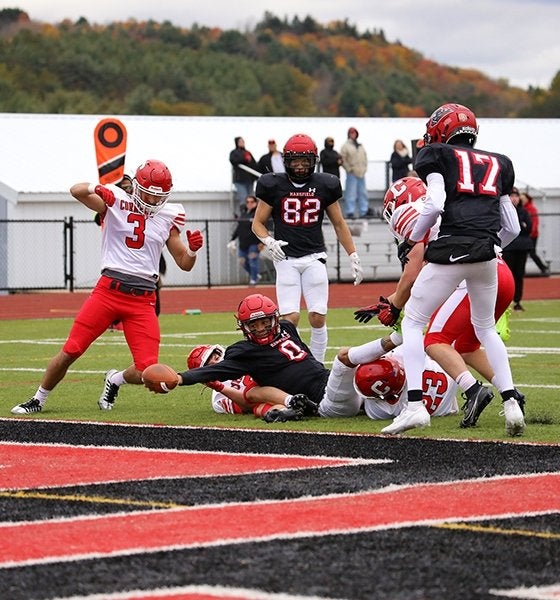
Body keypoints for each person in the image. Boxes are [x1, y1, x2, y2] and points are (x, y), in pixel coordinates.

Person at [11, 159, 204, 415]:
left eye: (160, 197)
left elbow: (184, 263)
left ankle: (115, 380)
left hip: (143, 299)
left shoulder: (170, 215)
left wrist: (192, 250)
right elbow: (76, 190)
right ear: (138, 186)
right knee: (72, 350)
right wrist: (96, 187)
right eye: (150, 194)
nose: (154, 201)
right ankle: (38, 399)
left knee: (150, 372)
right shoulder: (117, 199)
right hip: (108, 292)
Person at [388, 102, 525, 436]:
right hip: (488, 253)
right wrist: (491, 245)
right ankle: (511, 405)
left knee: (416, 323)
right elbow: (512, 227)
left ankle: (415, 406)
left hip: (452, 247)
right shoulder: (500, 162)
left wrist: (417, 236)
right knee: (485, 330)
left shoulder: (435, 155)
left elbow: (434, 203)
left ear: (441, 130)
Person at [357, 175, 525, 429]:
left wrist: (395, 306)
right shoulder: (457, 202)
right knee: (468, 345)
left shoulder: (414, 212)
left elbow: (414, 273)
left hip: (465, 274)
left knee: (433, 339)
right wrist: (391, 301)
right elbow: (511, 229)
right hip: (497, 269)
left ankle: (466, 391)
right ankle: (511, 395)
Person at [142, 293, 407, 421]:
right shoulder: (244, 352)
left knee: (388, 366)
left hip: (337, 389)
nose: (259, 329)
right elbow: (215, 371)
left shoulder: (288, 328)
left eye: (264, 322)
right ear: (243, 327)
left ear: (274, 319)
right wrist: (179, 378)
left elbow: (306, 362)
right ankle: (398, 335)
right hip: (325, 401)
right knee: (344, 358)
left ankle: (422, 397)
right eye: (253, 325)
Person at [251, 133, 363, 364]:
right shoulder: (273, 184)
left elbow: (339, 223)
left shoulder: (325, 184)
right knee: (289, 318)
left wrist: (353, 253)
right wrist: (269, 241)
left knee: (317, 316)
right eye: (295, 161)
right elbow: (257, 223)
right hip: (286, 258)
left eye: (305, 161)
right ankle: (296, 365)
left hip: (314, 256)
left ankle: (317, 366)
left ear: (314, 161)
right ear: (286, 161)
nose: (300, 166)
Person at [186, 343, 315, 422]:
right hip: (263, 401)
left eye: (214, 357)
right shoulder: (218, 399)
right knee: (259, 409)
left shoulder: (239, 358)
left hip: (279, 383)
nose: (216, 363)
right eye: (209, 365)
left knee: (252, 392)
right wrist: (219, 387)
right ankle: (295, 410)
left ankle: (292, 401)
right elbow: (246, 406)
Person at [502, 188, 533, 311]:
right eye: (511, 196)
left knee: (519, 275)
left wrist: (519, 223)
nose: (514, 198)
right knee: (507, 275)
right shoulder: (504, 211)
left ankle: (517, 301)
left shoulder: (524, 211)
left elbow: (528, 228)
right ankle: (506, 300)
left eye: (516, 196)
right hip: (508, 247)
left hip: (521, 247)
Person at [227, 195, 263, 286]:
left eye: (252, 202)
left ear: (256, 203)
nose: (250, 204)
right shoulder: (243, 213)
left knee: (252, 260)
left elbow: (263, 227)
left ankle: (253, 280)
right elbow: (239, 228)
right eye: (248, 202)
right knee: (242, 261)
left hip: (254, 243)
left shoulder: (258, 214)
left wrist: (262, 242)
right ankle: (255, 275)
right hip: (243, 243)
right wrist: (232, 239)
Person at [340, 126, 370, 219]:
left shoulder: (360, 146)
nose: (353, 135)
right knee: (351, 193)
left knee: (363, 193)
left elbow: (365, 157)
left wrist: (365, 168)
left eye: (354, 133)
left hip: (361, 172)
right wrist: (349, 169)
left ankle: (363, 211)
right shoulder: (345, 146)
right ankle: (350, 211)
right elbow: (343, 159)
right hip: (352, 173)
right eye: (351, 133)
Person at [519, 190, 549, 276]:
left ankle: (543, 268)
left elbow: (535, 222)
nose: (523, 200)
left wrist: (531, 232)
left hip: (532, 235)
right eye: (522, 199)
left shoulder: (531, 209)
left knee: (532, 253)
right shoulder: (522, 209)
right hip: (526, 235)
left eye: (524, 199)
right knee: (524, 253)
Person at [229, 137, 259, 213]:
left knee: (252, 199)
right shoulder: (234, 152)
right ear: (236, 142)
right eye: (240, 141)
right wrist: (244, 159)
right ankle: (244, 216)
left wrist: (256, 177)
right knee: (244, 199)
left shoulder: (248, 152)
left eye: (243, 141)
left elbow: (254, 165)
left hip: (249, 180)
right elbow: (233, 160)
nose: (242, 142)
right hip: (240, 180)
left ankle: (253, 217)